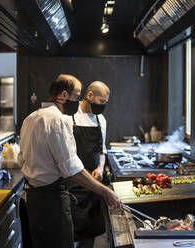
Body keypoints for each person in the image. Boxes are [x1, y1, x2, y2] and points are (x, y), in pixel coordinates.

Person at [18, 74, 121, 248]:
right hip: (52, 201)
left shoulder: (31, 118)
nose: (79, 100)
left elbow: (21, 159)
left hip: (33, 200)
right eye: (77, 95)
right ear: (64, 96)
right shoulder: (59, 120)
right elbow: (71, 169)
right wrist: (106, 192)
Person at [69, 81, 110, 248]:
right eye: (101, 102)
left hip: (93, 187)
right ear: (89, 95)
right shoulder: (69, 116)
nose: (103, 106)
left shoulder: (101, 120)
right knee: (70, 235)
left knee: (90, 238)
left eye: (106, 103)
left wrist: (100, 168)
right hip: (72, 185)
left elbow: (102, 150)